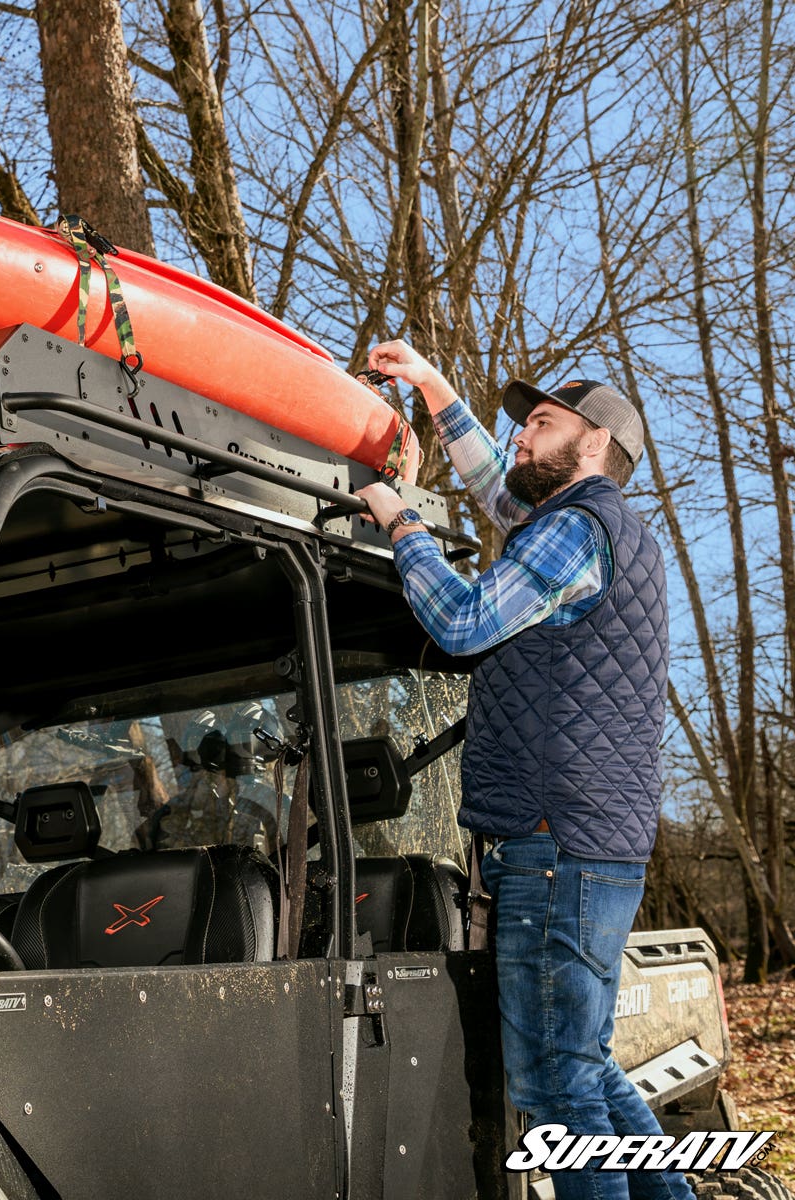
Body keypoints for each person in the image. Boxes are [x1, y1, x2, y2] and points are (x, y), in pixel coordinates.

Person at [353, 341, 689, 1200]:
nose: (520, 440)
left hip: (554, 843)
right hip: (588, 843)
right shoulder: (593, 527)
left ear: (593, 444)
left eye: (540, 425)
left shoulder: (577, 531)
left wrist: (401, 523)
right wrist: (432, 389)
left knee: (553, 1091)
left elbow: (463, 624)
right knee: (586, 1066)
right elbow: (495, 491)